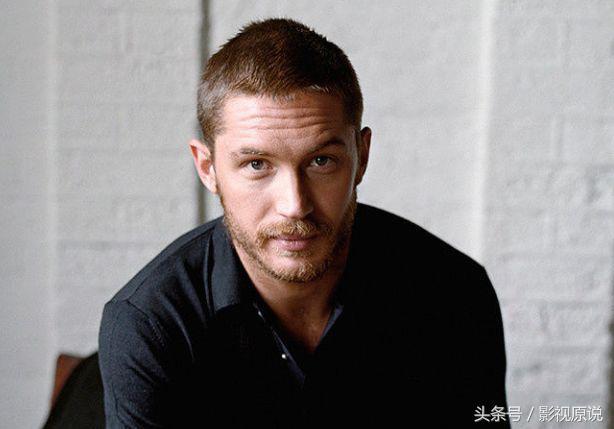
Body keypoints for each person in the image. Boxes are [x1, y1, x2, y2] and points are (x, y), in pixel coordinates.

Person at [99, 18, 509, 428]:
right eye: (256, 164)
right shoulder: (150, 324)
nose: (294, 205)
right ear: (208, 168)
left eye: (321, 161)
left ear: (362, 157)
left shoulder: (453, 294)